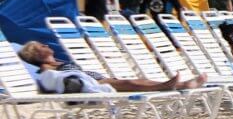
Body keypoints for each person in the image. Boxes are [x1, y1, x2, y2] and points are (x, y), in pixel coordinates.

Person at [18, 41, 207, 91]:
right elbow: (49, 79)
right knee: (130, 82)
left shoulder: (57, 62)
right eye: (42, 46)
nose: (47, 46)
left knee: (138, 80)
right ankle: (167, 85)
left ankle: (179, 85)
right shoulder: (47, 69)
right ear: (36, 55)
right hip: (90, 84)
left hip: (94, 78)